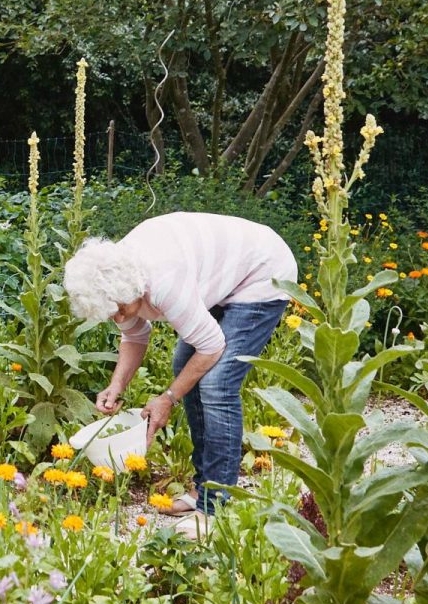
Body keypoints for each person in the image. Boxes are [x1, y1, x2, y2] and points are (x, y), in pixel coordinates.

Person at [62, 212, 296, 518]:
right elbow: (134, 336)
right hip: (223, 274)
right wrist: (116, 385)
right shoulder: (114, 279)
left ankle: (215, 508)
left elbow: (211, 347)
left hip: (263, 271)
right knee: (184, 365)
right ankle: (203, 489)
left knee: (217, 383)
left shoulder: (162, 281)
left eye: (120, 310)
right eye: (111, 314)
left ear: (130, 291)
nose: (119, 318)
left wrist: (168, 399)